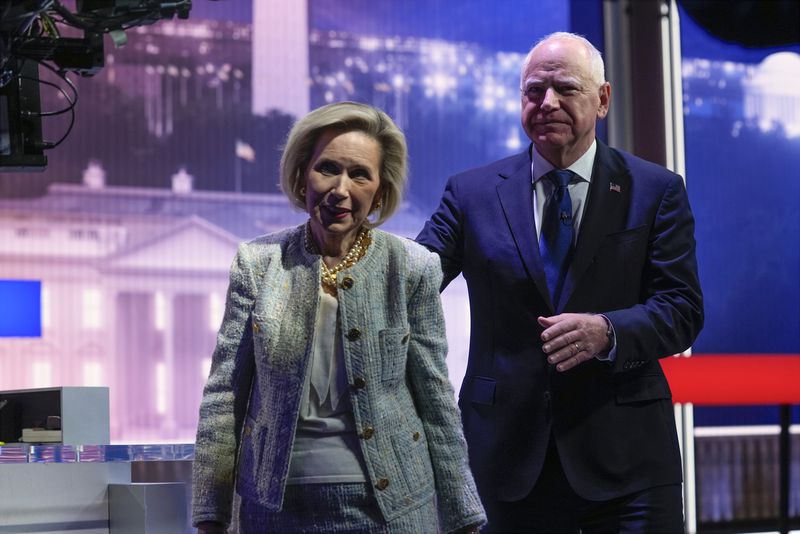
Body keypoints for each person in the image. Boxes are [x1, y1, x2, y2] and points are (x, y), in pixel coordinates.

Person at [417, 32, 703, 533]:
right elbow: (413, 276)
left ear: (603, 99)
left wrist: (607, 331)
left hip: (627, 464)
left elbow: (681, 309)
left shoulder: (655, 190)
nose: (547, 103)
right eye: (533, 90)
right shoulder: (471, 193)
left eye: (565, 88)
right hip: (504, 459)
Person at [191, 101, 486, 534]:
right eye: (327, 168)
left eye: (360, 174)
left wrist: (462, 514)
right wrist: (209, 514)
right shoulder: (257, 264)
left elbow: (435, 399)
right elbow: (224, 397)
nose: (341, 189)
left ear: (380, 192)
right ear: (300, 176)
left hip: (395, 509)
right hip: (274, 511)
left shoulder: (413, 268)